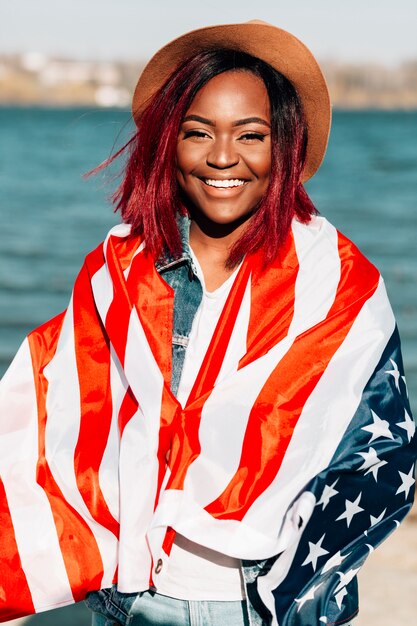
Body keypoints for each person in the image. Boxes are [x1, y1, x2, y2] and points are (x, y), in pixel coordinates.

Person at [0, 20, 415, 626]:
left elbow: (380, 456)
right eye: (199, 133)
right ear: (170, 144)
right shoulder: (118, 268)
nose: (223, 158)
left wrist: (300, 594)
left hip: (251, 605)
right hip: (124, 599)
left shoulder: (340, 289)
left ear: (285, 144)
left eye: (251, 135)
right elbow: (50, 420)